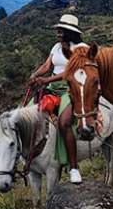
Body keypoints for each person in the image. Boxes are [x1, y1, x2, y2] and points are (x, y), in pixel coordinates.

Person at [27, 14, 89, 184]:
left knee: (64, 122)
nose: (58, 33)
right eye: (58, 30)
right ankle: (28, 154)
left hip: (72, 88)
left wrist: (46, 80)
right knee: (28, 112)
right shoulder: (56, 47)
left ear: (70, 32)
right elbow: (48, 66)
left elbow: (71, 72)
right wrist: (35, 75)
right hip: (53, 88)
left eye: (61, 30)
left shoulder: (82, 48)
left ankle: (73, 167)